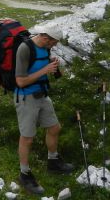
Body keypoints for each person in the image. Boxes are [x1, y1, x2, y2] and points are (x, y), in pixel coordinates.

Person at [14, 25, 74, 195]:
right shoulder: (25, 49)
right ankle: (24, 174)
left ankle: (53, 161)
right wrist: (45, 70)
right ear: (46, 38)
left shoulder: (45, 49)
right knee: (27, 138)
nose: (54, 46)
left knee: (55, 128)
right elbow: (20, 81)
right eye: (53, 43)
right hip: (26, 97)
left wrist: (51, 64)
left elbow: (39, 67)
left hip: (42, 95)